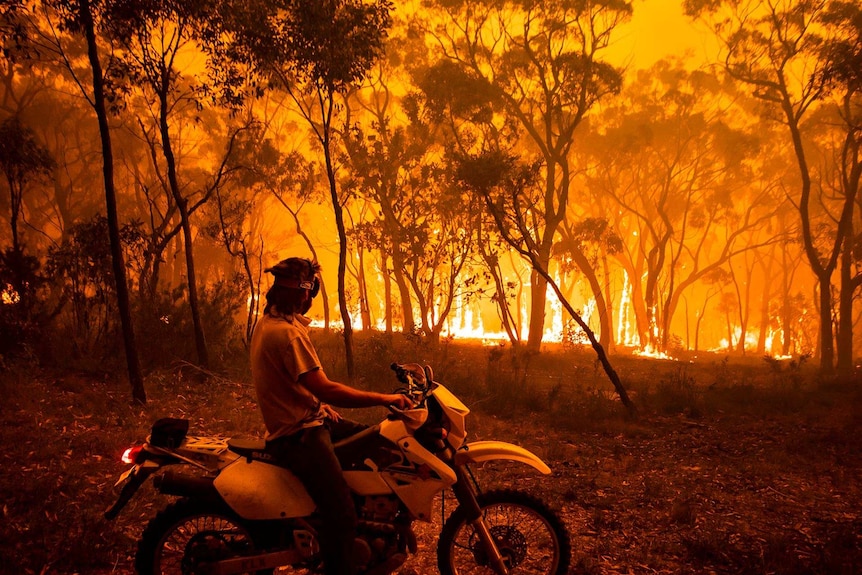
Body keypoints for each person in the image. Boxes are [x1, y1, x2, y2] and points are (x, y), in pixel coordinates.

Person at [250, 256, 413, 575]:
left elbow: (292, 383)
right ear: (304, 293)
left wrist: (314, 403)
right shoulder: (287, 334)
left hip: (309, 422)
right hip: (298, 437)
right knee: (341, 514)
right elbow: (327, 388)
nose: (311, 299)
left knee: (377, 441)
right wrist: (385, 398)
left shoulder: (270, 323)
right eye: (310, 291)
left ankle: (379, 531)